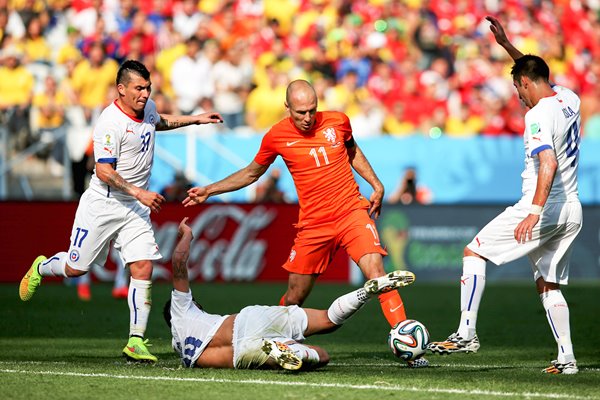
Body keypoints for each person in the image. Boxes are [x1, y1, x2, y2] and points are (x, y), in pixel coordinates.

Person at [183, 79, 427, 367]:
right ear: (287, 107)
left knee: (376, 271)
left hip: (351, 211)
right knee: (295, 296)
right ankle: (272, 339)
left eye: (312, 110)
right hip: (313, 225)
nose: (308, 118)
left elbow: (352, 151)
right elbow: (251, 173)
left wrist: (375, 184)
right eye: (301, 113)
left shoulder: (338, 121)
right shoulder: (276, 136)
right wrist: (210, 190)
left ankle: (408, 343)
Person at [19, 60, 223, 363]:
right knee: (77, 268)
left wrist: (195, 119)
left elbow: (159, 120)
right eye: (139, 88)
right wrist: (140, 191)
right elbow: (103, 170)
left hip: (134, 207)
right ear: (122, 89)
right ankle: (41, 267)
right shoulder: (109, 122)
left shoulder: (147, 107)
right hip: (103, 203)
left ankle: (135, 341)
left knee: (144, 266)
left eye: (148, 87)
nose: (145, 93)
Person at [429, 17, 583, 375]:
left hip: (543, 205)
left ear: (525, 83)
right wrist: (507, 47)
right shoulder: (568, 99)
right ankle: (567, 359)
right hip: (572, 209)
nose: (518, 96)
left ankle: (466, 332)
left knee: (473, 251)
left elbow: (548, 163)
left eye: (518, 88)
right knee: (549, 285)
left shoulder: (537, 117)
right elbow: (533, 69)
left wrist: (533, 211)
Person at [164, 217, 415, 370]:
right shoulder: (181, 309)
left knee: (320, 357)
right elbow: (178, 264)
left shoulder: (183, 350)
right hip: (247, 320)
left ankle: (289, 351)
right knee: (328, 319)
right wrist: (187, 235)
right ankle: (365, 292)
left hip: (243, 354)